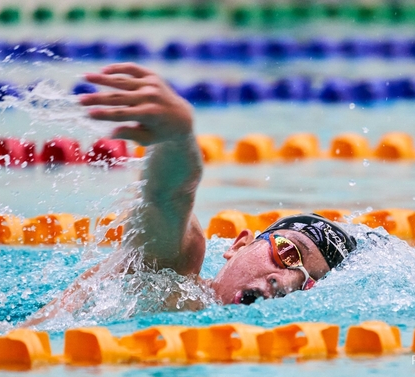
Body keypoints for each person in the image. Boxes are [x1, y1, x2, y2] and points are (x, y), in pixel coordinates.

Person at [25, 62, 356, 325]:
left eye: (305, 282)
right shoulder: (175, 271)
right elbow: (169, 196)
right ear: (238, 245)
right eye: (287, 252)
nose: (282, 281)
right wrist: (178, 136)